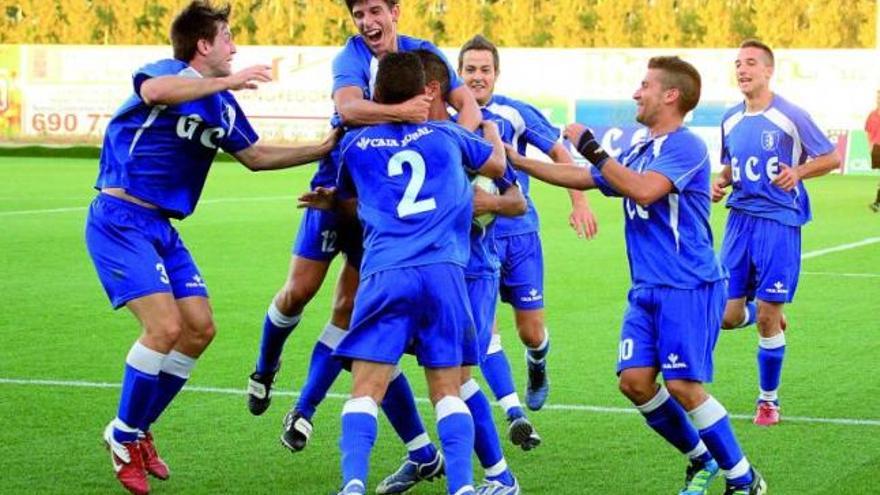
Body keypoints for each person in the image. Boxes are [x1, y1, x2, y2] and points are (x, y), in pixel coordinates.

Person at [84, 2, 337, 494]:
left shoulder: (220, 103)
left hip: (162, 227)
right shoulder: (168, 74)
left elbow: (257, 157)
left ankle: (136, 430)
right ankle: (122, 435)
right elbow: (155, 92)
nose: (235, 47)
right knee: (164, 328)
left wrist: (322, 149)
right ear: (204, 45)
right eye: (227, 37)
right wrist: (228, 80)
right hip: (120, 218)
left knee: (199, 329)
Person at [507, 56, 767, 495]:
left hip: (687, 284)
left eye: (644, 85)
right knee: (635, 382)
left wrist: (591, 145)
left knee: (683, 384)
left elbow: (644, 189)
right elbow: (584, 176)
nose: (635, 93)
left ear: (671, 95)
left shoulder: (686, 146)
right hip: (646, 288)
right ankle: (700, 458)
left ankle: (744, 481)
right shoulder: (642, 148)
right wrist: (517, 160)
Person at [245, 0, 481, 456]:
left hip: (382, 205)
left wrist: (457, 153)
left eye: (375, 11)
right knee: (297, 292)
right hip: (336, 186)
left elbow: (466, 105)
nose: (368, 23)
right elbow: (349, 109)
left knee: (351, 309)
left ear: (396, 11)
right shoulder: (351, 57)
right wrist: (406, 113)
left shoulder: (422, 51)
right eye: (359, 15)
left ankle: (306, 411)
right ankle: (264, 367)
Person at [331, 51, 504, 495]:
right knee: (448, 389)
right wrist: (490, 130)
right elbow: (497, 168)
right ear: (425, 92)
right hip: (443, 274)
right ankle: (463, 486)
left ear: (377, 94)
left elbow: (346, 200)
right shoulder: (448, 135)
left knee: (366, 387)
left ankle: (352, 484)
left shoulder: (354, 145)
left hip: (386, 272)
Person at [370, 48, 527, 495]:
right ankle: (421, 452)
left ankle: (499, 477)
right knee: (373, 359)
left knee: (455, 378)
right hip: (422, 273)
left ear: (431, 90)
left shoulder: (462, 137)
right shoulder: (416, 137)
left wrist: (484, 203)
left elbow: (516, 201)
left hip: (471, 270)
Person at [458, 35, 598, 412]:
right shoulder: (448, 117)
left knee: (531, 332)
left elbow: (557, 151)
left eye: (484, 70)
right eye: (470, 69)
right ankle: (510, 409)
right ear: (459, 73)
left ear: (496, 74)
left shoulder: (515, 113)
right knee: (484, 331)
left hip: (518, 234)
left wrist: (579, 201)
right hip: (470, 238)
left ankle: (537, 362)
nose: (477, 77)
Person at [712, 39, 840, 426]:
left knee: (769, 316)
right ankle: (764, 314)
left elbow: (831, 156)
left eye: (750, 63)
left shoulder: (790, 115)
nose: (742, 70)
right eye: (738, 64)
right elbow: (731, 166)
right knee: (726, 316)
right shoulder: (730, 119)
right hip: (739, 222)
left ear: (768, 70)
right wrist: (721, 182)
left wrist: (798, 172)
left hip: (779, 222)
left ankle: (769, 400)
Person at [865, 89, 880, 211]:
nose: (878, 100)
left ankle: (877, 202)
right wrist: (870, 146)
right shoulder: (872, 115)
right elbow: (868, 132)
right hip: (877, 148)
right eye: (878, 97)